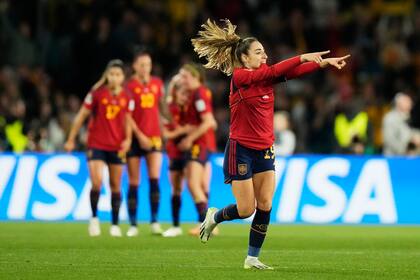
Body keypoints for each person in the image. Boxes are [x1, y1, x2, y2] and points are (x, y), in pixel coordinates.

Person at [192, 19, 350, 269]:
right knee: (245, 209)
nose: (264, 55)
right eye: (258, 52)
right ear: (244, 58)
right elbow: (279, 70)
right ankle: (215, 216)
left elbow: (288, 72)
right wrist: (302, 57)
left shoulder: (265, 80)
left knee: (265, 205)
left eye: (264, 51)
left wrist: (322, 64)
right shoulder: (240, 77)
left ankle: (252, 258)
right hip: (240, 150)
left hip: (265, 149)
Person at [64, 59, 133, 237]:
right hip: (96, 144)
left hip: (117, 145)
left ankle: (115, 224)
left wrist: (128, 139)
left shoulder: (128, 97)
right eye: (111, 74)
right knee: (96, 182)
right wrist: (71, 139)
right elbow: (81, 116)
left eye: (118, 75)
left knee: (116, 185)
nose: (114, 78)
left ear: (123, 77)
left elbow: (128, 120)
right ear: (106, 76)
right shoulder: (97, 94)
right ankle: (94, 219)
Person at [125, 50, 170, 236]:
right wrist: (139, 135)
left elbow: (162, 109)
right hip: (135, 139)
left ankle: (154, 221)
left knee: (154, 179)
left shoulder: (157, 84)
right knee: (134, 181)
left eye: (148, 65)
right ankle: (133, 224)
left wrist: (169, 125)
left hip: (154, 137)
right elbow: (126, 115)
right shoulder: (128, 86)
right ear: (135, 66)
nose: (145, 68)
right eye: (142, 65)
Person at [177, 63, 217, 236]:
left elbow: (208, 121)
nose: (182, 80)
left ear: (194, 77)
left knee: (193, 183)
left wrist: (189, 138)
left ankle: (206, 224)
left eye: (184, 76)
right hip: (205, 143)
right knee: (199, 184)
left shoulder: (199, 93)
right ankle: (208, 224)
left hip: (199, 144)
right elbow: (212, 122)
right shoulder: (197, 93)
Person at [161, 74, 192, 237]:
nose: (184, 97)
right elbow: (166, 134)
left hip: (191, 152)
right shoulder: (170, 109)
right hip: (174, 153)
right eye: (182, 94)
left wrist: (181, 131)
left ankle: (204, 222)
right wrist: (182, 130)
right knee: (176, 189)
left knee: (195, 187)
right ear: (176, 94)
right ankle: (175, 225)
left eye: (187, 94)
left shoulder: (191, 109)